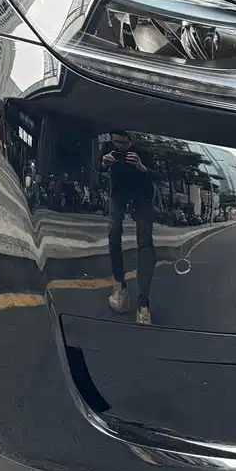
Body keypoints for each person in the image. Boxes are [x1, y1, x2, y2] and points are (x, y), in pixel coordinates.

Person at [101, 130, 156, 325]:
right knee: (113, 233)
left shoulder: (143, 152)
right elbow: (99, 168)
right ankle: (120, 287)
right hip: (119, 195)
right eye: (116, 142)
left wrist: (142, 167)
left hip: (142, 197)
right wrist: (105, 164)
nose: (120, 147)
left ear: (131, 141)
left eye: (124, 144)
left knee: (145, 241)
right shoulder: (108, 148)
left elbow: (157, 175)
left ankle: (143, 303)